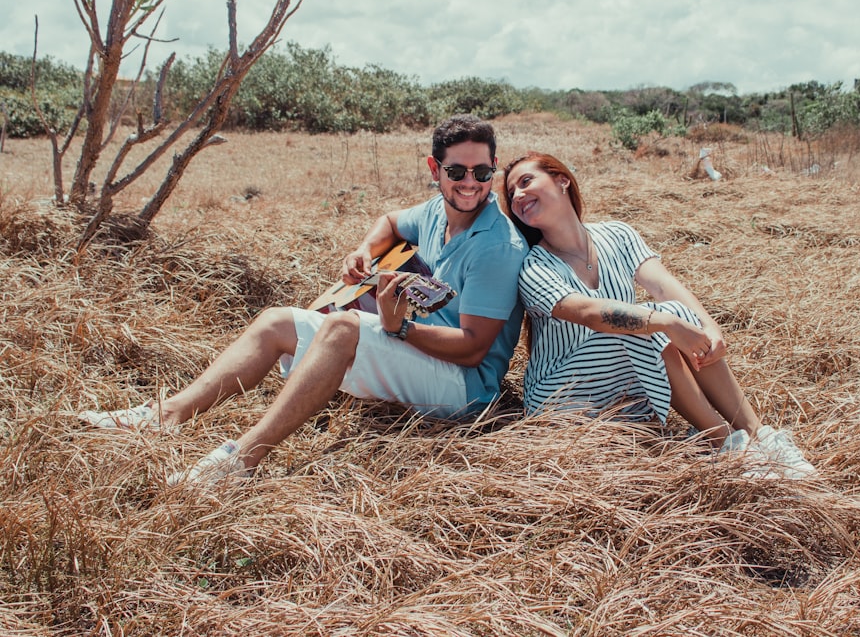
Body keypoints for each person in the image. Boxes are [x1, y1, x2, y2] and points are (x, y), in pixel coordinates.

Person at [78, 115, 528, 486]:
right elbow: (389, 221)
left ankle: (238, 462)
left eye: (483, 173)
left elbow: (473, 350)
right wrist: (364, 251)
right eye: (457, 172)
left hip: (464, 389)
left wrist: (399, 329)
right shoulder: (434, 211)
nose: (470, 183)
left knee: (341, 328)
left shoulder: (497, 246)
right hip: (414, 347)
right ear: (435, 170)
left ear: (495, 170)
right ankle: (165, 415)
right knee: (276, 321)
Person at [498, 151, 817, 480]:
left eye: (526, 181)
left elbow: (664, 286)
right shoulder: (534, 266)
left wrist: (708, 327)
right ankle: (727, 446)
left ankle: (760, 435)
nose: (518, 195)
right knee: (646, 321)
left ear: (562, 179)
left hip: (620, 381)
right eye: (511, 194)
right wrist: (665, 322)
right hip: (563, 397)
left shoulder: (617, 235)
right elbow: (591, 313)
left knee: (674, 311)